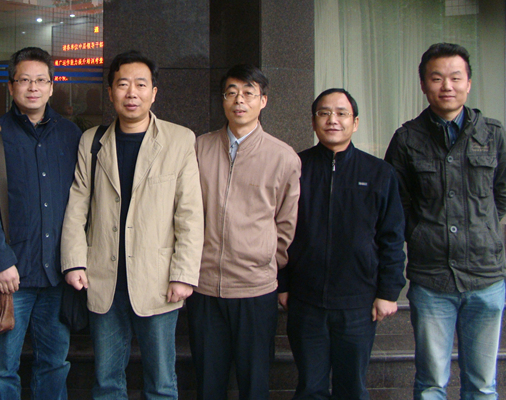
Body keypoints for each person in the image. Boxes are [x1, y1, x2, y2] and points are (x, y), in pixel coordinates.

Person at [61, 50, 204, 399]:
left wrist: (184, 274)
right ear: (110, 91)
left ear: (154, 92)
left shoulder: (179, 139)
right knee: (107, 381)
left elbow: (189, 213)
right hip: (103, 278)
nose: (131, 93)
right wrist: (74, 262)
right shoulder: (92, 140)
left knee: (162, 383)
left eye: (141, 85)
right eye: (123, 84)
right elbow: (78, 206)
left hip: (158, 279)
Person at [385, 42, 506, 400]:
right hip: (432, 278)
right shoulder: (407, 139)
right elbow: (398, 202)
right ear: (423, 84)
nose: (447, 86)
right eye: (437, 78)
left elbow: (503, 193)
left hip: (486, 276)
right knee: (431, 384)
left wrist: (482, 226)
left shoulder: (493, 134)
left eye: (456, 78)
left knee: (483, 385)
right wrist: (422, 234)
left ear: (468, 83)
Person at [0, 46, 82, 399]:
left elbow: (83, 201)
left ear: (52, 86)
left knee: (54, 364)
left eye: (41, 80)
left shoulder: (71, 135)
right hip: (10, 279)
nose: (33, 88)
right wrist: (0, 261)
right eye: (25, 80)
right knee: (2, 370)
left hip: (57, 274)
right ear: (11, 85)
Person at [279, 88, 406, 400]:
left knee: (352, 388)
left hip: (358, 302)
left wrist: (388, 292)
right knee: (310, 387)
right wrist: (282, 283)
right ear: (313, 122)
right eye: (324, 113)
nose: (332, 120)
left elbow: (392, 237)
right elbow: (278, 231)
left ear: (355, 122)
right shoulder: (295, 167)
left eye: (341, 113)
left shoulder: (379, 173)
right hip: (305, 299)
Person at [188, 63, 301, 400]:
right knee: (208, 382)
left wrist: (264, 259)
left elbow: (286, 224)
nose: (239, 100)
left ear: (263, 100)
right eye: (232, 93)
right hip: (204, 286)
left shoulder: (283, 157)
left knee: (254, 382)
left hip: (255, 289)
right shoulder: (199, 147)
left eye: (248, 93)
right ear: (223, 99)